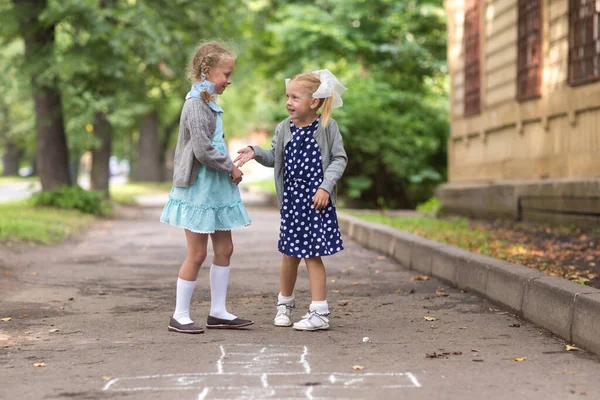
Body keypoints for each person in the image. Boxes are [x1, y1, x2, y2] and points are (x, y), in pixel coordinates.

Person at [235, 69, 347, 331]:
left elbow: (339, 159)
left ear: (314, 102)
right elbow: (275, 156)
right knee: (289, 256)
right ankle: (284, 305)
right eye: (288, 96)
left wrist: (325, 187)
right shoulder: (284, 128)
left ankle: (319, 312)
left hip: (317, 201)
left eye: (295, 98)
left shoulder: (327, 127)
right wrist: (255, 151)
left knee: (313, 255)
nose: (288, 102)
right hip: (293, 202)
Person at [160, 41, 253, 334]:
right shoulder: (195, 104)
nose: (229, 80)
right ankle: (180, 314)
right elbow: (202, 150)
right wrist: (231, 167)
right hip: (200, 187)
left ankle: (218, 311)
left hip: (216, 188)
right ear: (207, 70)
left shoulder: (210, 102)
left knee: (225, 248)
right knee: (197, 253)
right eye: (225, 74)